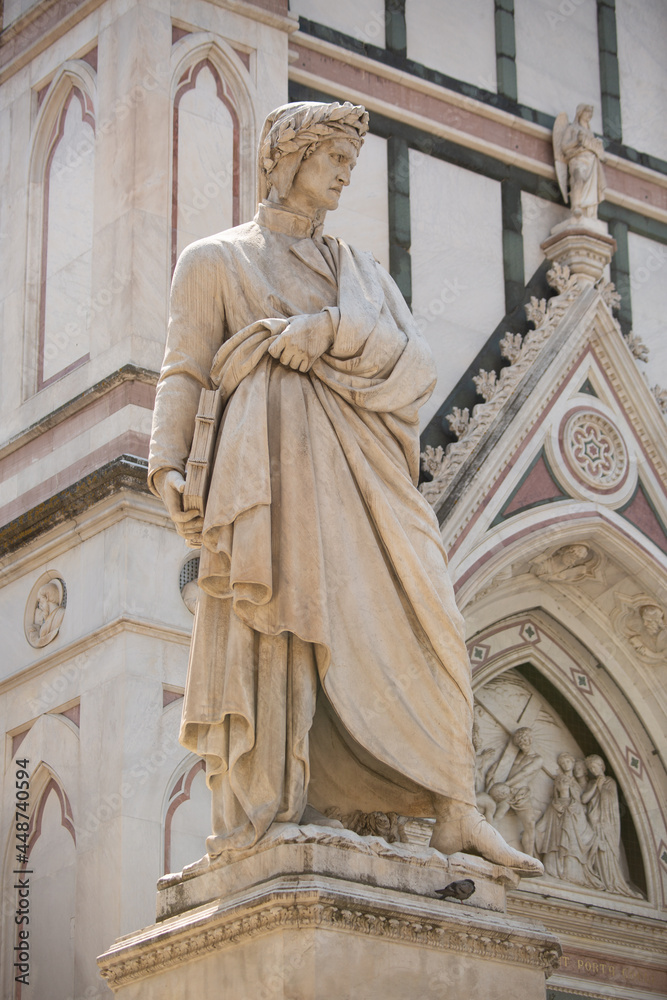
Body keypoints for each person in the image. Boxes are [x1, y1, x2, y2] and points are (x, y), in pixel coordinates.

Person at [148, 100, 543, 876]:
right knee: (279, 625)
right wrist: (164, 463)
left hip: (364, 475)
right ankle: (278, 807)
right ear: (287, 158)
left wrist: (330, 333)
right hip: (265, 477)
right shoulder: (217, 261)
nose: (342, 173)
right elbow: (185, 367)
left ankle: (454, 806)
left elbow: (418, 367)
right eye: (332, 157)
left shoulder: (360, 275)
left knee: (430, 616)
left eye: (348, 163)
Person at [535, 752, 601, 888]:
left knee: (571, 842)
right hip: (560, 820)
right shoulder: (559, 788)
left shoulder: (578, 787)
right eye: (563, 763)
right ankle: (556, 869)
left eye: (568, 762)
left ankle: (572, 873)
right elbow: (555, 799)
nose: (566, 765)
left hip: (575, 819)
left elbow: (581, 800)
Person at [582, 755, 641, 897]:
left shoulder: (610, 782)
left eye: (595, 767)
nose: (593, 770)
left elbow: (611, 801)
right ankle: (598, 876)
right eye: (590, 768)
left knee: (606, 850)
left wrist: (602, 788)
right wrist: (596, 785)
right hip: (594, 822)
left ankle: (611, 881)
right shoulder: (591, 783)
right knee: (596, 849)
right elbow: (584, 799)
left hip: (606, 823)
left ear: (602, 766)